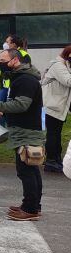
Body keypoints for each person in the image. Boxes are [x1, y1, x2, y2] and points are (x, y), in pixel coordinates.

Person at [0, 48, 46, 221]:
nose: (0, 63)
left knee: (27, 170)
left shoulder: (25, 80)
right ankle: (31, 205)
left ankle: (30, 209)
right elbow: (16, 103)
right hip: (24, 129)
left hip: (27, 131)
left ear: (15, 60)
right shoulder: (20, 78)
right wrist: (4, 111)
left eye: (3, 60)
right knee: (29, 168)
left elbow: (21, 105)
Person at [41, 45, 71, 173]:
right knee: (53, 134)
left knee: (55, 134)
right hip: (52, 105)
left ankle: (56, 160)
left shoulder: (64, 65)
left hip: (58, 105)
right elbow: (68, 81)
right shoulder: (58, 66)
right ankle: (51, 161)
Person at [0, 35, 30, 102]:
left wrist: (3, 64)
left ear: (13, 44)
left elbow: (21, 69)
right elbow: (3, 68)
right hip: (4, 84)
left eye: (7, 42)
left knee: (5, 106)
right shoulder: (7, 52)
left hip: (13, 84)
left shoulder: (23, 54)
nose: (5, 44)